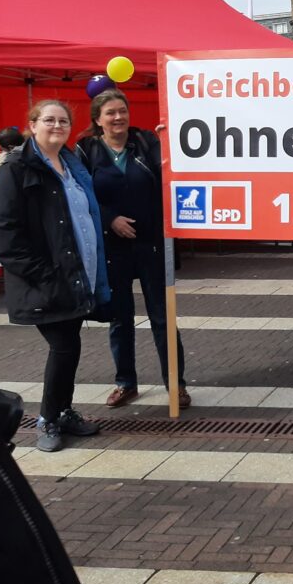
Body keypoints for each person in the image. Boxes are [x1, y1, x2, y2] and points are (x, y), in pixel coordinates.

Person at [0, 100, 108, 452]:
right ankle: (48, 420)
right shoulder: (16, 169)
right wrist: (46, 275)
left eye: (63, 120)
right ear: (32, 124)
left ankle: (63, 410)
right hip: (49, 280)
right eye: (49, 120)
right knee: (64, 346)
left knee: (70, 346)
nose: (57, 125)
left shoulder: (71, 165)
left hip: (75, 277)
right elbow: (3, 233)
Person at [75, 89, 190, 409]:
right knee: (119, 318)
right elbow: (80, 194)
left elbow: (168, 172)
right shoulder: (85, 150)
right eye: (110, 112)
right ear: (98, 119)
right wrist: (110, 218)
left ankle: (175, 383)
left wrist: (169, 140)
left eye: (122, 111)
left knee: (163, 317)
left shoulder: (146, 143)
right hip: (112, 248)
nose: (118, 117)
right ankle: (126, 382)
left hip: (152, 243)